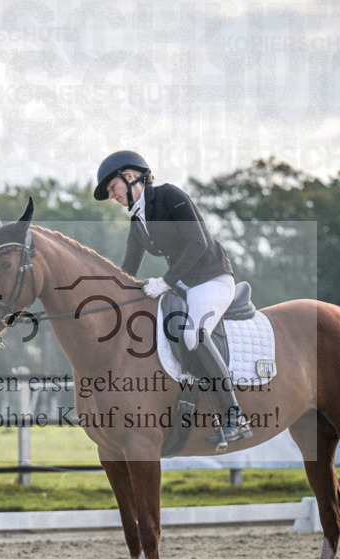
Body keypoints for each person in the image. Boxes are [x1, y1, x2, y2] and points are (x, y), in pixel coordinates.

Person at [93, 150, 251, 445]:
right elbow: (128, 269)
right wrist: (106, 298)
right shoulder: (137, 223)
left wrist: (165, 281)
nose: (112, 196)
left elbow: (198, 242)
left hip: (213, 278)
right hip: (186, 286)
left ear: (129, 178)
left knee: (193, 333)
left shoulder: (168, 196)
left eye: (112, 189)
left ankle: (235, 415)